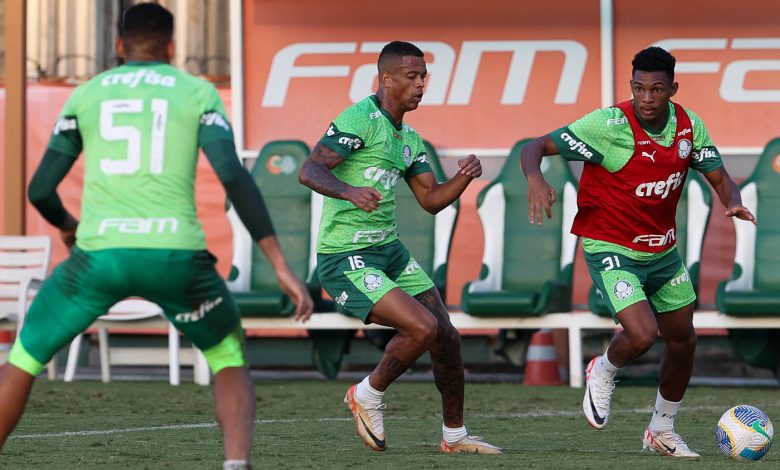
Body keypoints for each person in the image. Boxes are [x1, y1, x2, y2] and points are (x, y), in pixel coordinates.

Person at [0, 4, 313, 469]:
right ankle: (235, 464)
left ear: (119, 46)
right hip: (176, 257)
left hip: (98, 258)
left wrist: (69, 228)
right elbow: (233, 175)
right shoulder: (196, 91)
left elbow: (40, 189)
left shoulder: (87, 93)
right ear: (171, 48)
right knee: (228, 356)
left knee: (23, 357)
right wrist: (281, 265)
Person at [521, 46, 756, 458]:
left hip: (662, 252)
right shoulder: (609, 124)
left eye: (657, 89)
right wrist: (535, 180)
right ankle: (604, 368)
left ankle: (661, 429)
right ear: (631, 86)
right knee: (644, 334)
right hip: (611, 246)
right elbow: (533, 146)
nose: (647, 98)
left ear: (672, 89)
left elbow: (719, 177)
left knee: (683, 340)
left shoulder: (687, 126)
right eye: (639, 88)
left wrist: (732, 200)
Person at [299, 41, 501, 455]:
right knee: (422, 327)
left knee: (446, 336)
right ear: (385, 79)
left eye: (423, 76)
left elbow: (430, 201)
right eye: (411, 76)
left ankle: (455, 437)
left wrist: (463, 177)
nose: (421, 84)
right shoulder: (360, 119)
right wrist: (349, 191)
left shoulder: (408, 137)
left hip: (389, 252)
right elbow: (310, 168)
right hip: (345, 257)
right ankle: (367, 394)